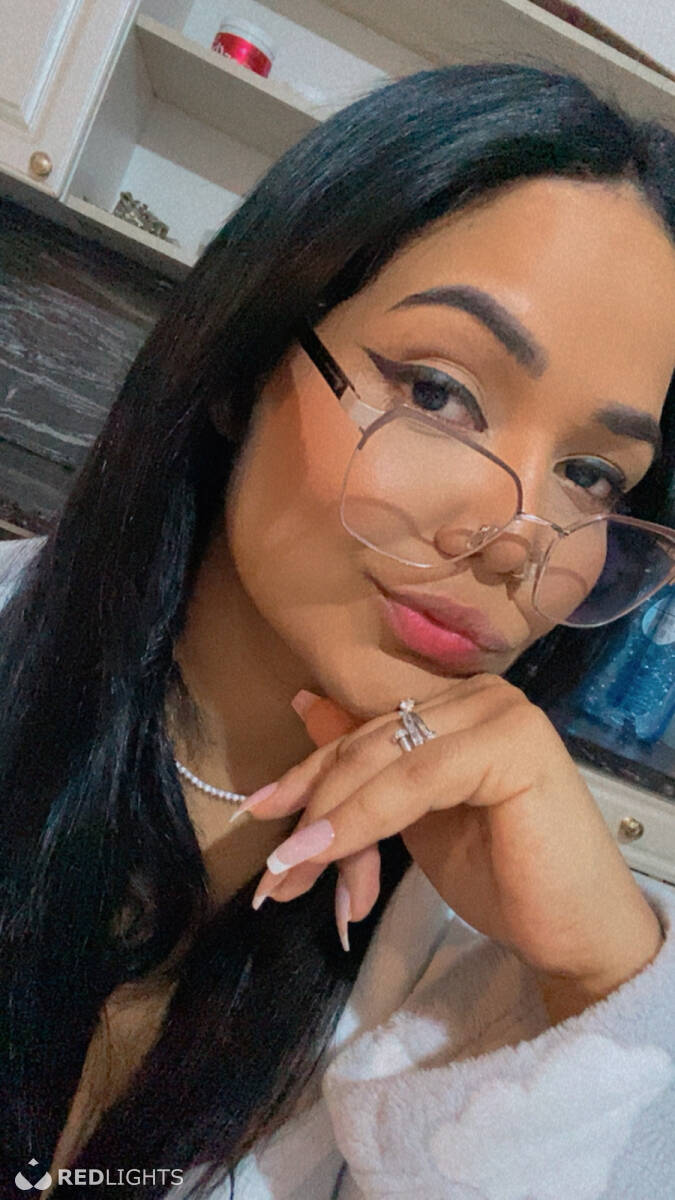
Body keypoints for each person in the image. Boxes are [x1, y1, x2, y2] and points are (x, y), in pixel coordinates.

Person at [1, 60, 674, 1200]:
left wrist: (602, 979)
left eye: (591, 476)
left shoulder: (484, 951)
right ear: (247, 357)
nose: (515, 540)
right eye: (438, 392)